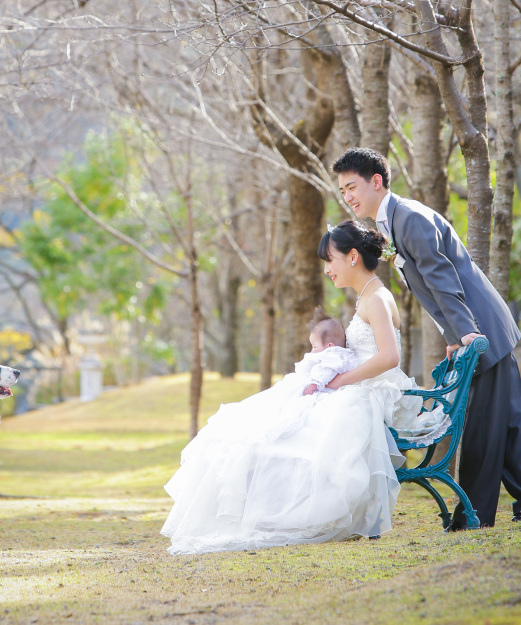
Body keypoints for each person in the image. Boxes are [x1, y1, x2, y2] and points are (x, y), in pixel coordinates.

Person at [160, 221, 421, 554]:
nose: (327, 269)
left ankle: (284, 513)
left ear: (352, 256)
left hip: (371, 394)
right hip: (357, 387)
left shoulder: (377, 298)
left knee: (287, 433)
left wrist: (338, 381)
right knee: (267, 425)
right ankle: (269, 511)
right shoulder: (367, 296)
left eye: (331, 260)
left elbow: (389, 357)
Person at [332, 146, 521, 529]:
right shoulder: (393, 223)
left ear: (376, 181)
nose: (348, 196)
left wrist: (466, 332)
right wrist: (454, 335)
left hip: (480, 326)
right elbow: (433, 284)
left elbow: (442, 279)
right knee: (510, 418)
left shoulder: (409, 218)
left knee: (485, 422)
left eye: (352, 187)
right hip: (474, 326)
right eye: (343, 191)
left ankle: (476, 514)